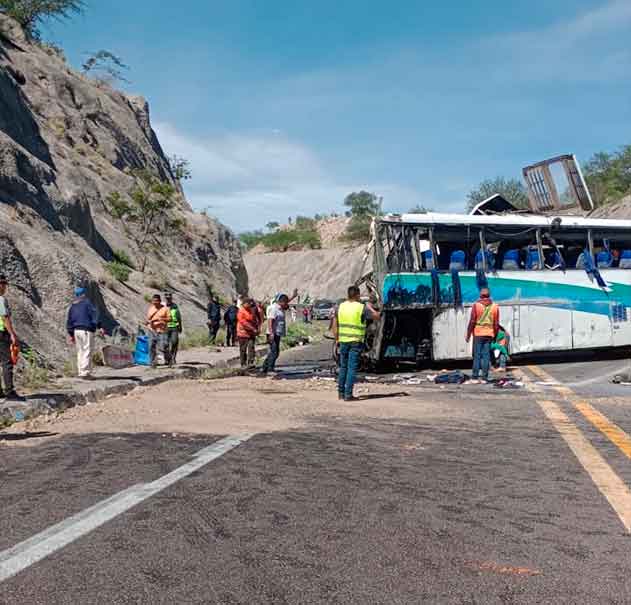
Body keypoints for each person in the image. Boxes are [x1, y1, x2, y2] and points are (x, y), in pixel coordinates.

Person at [333, 285, 380, 401]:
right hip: (355, 342)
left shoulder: (340, 306)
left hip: (343, 341)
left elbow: (334, 323)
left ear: (348, 295)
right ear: (358, 295)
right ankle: (348, 395)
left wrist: (337, 338)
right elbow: (377, 317)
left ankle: (341, 393)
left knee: (343, 367)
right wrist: (370, 307)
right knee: (352, 368)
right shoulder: (361, 307)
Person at [66, 286, 103, 379]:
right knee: (87, 350)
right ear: (83, 294)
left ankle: (81, 371)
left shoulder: (73, 306)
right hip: (86, 330)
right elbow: (94, 315)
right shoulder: (87, 303)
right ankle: (85, 373)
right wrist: (99, 326)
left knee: (80, 351)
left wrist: (71, 334)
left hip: (76, 331)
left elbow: (69, 321)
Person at [465, 287, 499, 383]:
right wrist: (495, 335)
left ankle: (475, 377)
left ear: (480, 295)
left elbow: (472, 321)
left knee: (477, 356)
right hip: (489, 334)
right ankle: (484, 378)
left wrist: (468, 334)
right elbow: (496, 323)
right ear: (489, 295)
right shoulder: (495, 306)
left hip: (478, 333)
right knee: (486, 356)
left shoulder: (476, 306)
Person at [261, 288, 298, 375]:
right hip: (272, 333)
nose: (286, 305)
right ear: (281, 302)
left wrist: (293, 296)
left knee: (275, 351)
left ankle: (265, 367)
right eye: (285, 303)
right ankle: (269, 369)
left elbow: (286, 301)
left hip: (277, 333)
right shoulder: (274, 308)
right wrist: (271, 333)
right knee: (274, 351)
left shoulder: (280, 307)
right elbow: (270, 321)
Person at [0, 274, 23, 400]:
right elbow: (4, 317)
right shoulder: (1, 299)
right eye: (3, 284)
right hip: (1, 333)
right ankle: (10, 391)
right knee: (7, 362)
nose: (5, 287)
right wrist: (12, 334)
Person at [146, 294, 170, 367]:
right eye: (153, 301)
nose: (155, 302)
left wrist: (161, 319)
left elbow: (170, 319)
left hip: (162, 330)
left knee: (163, 346)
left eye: (156, 301)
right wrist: (148, 322)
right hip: (152, 330)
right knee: (151, 346)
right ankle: (153, 363)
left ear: (160, 301)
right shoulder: (150, 309)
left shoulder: (165, 309)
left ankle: (168, 359)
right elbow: (148, 319)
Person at [237, 298, 260, 369]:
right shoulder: (241, 311)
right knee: (243, 349)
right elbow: (243, 322)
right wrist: (253, 329)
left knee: (251, 347)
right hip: (242, 333)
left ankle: (250, 363)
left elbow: (254, 320)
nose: (250, 305)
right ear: (244, 304)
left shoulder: (251, 310)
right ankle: (243, 364)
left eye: (250, 304)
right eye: (248, 303)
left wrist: (257, 328)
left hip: (251, 333)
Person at [164, 292, 182, 366]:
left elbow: (178, 316)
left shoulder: (175, 306)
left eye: (169, 297)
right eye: (167, 297)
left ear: (171, 298)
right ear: (165, 298)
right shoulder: (162, 306)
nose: (168, 298)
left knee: (174, 342)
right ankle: (167, 359)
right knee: (165, 344)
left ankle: (173, 358)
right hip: (165, 327)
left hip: (174, 327)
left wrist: (180, 326)